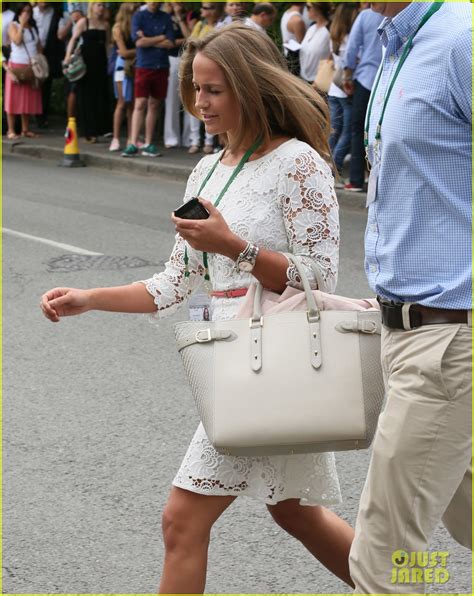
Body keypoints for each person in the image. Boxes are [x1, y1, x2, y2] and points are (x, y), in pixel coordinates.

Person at [41, 22, 355, 594]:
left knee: (181, 520)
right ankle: (406, 586)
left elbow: (317, 278)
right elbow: (174, 283)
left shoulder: (298, 163)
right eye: (195, 89)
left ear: (250, 87)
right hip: (234, 363)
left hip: (273, 367)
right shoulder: (207, 168)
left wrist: (234, 246)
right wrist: (89, 299)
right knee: (294, 513)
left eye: (213, 90)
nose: (198, 103)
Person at [348, 2, 472, 593]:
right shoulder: (393, 44)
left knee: (386, 554)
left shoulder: (461, 41)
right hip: (403, 329)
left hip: (447, 337)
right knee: (463, 513)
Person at [121, 2, 175, 159]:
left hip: (161, 65)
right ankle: (132, 143)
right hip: (144, 65)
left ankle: (148, 143)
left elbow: (170, 42)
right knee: (140, 103)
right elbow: (138, 42)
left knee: (154, 104)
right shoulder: (139, 16)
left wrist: (149, 39)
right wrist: (161, 37)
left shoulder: (165, 17)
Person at [341, 5, 383, 191]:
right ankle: (379, 178)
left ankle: (357, 179)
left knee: (359, 129)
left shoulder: (366, 16)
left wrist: (347, 75)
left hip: (366, 78)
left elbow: (352, 47)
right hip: (389, 79)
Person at [64, 2, 111, 143]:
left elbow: (108, 44)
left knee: (99, 94)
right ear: (92, 7)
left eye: (103, 5)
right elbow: (73, 39)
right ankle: (87, 130)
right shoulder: (84, 22)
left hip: (100, 63)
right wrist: (67, 56)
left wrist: (110, 62)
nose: (101, 8)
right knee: (86, 96)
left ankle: (99, 129)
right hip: (86, 62)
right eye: (98, 5)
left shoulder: (106, 25)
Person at [186, 2, 224, 155]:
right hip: (196, 68)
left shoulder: (221, 26)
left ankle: (209, 141)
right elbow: (190, 44)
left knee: (211, 105)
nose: (204, 10)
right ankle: (195, 140)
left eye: (208, 7)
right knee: (196, 104)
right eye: (203, 7)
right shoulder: (199, 26)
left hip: (212, 70)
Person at [326, 2, 359, 180]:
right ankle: (334, 167)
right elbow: (351, 62)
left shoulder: (334, 36)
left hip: (333, 87)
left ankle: (325, 165)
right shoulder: (350, 38)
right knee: (347, 132)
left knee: (333, 132)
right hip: (346, 89)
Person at [5, 2, 43, 139]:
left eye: (29, 11)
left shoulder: (33, 28)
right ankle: (11, 130)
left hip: (30, 66)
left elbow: (39, 46)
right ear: (19, 13)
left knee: (27, 98)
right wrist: (21, 25)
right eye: (24, 11)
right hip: (16, 65)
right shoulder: (13, 25)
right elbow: (16, 41)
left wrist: (39, 60)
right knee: (13, 98)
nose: (26, 14)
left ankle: (25, 129)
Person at [162, 1, 194, 150]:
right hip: (172, 59)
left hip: (188, 59)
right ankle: (171, 137)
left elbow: (191, 38)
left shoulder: (191, 15)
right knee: (172, 100)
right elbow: (165, 41)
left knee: (189, 98)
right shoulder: (164, 16)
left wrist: (179, 18)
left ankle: (189, 138)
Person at [109, 2, 138, 152]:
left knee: (132, 104)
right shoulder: (118, 28)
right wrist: (139, 49)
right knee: (121, 102)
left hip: (133, 65)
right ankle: (115, 138)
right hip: (122, 67)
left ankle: (130, 138)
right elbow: (124, 52)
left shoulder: (135, 27)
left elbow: (127, 52)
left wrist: (131, 52)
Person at [57, 6, 83, 118]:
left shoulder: (86, 21)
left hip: (86, 54)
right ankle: (71, 121)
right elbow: (61, 35)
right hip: (72, 58)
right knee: (72, 88)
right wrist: (71, 21)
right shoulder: (65, 18)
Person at [299, 3, 331, 85]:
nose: (306, 10)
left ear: (317, 8)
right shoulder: (312, 27)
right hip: (303, 78)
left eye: (308, 7)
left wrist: (319, 80)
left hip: (317, 83)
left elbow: (332, 58)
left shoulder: (330, 29)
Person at [280, 2, 306, 76]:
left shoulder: (287, 13)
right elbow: (302, 43)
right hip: (294, 60)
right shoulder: (297, 20)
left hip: (287, 55)